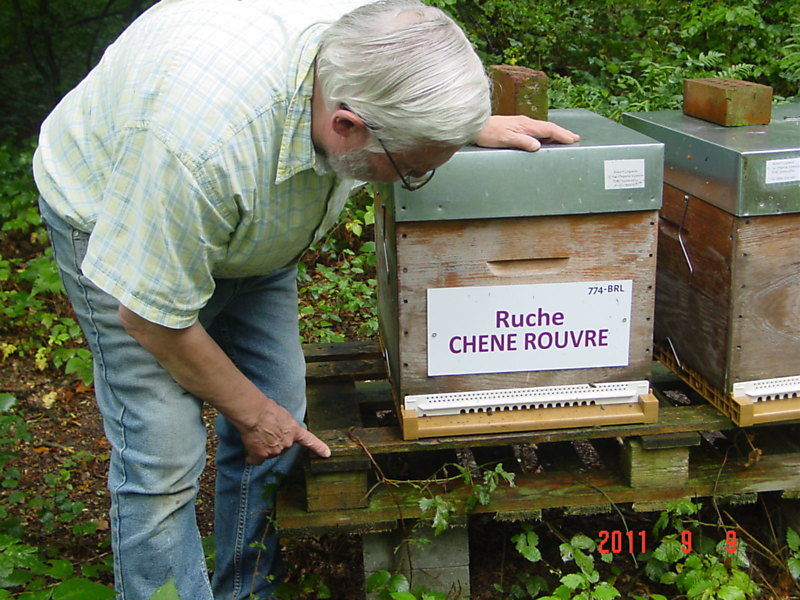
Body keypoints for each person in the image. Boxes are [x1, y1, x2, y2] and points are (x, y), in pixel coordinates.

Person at [33, 0, 579, 598]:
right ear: (346, 126)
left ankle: (245, 590)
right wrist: (252, 412)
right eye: (413, 168)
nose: (416, 177)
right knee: (161, 458)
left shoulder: (366, 43)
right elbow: (151, 319)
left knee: (281, 405)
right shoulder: (201, 150)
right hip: (119, 221)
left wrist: (452, 128)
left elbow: (396, 93)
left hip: (255, 232)